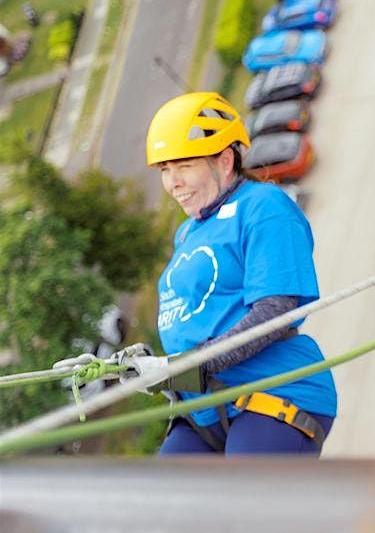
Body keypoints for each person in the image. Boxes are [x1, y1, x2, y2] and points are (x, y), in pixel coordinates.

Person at [92, 92, 335, 455]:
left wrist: (187, 366)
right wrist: (145, 365)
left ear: (224, 161)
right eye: (164, 170)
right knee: (158, 506)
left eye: (184, 166)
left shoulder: (262, 207)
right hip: (200, 414)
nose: (173, 182)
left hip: (270, 392)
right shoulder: (187, 233)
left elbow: (275, 309)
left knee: (239, 504)